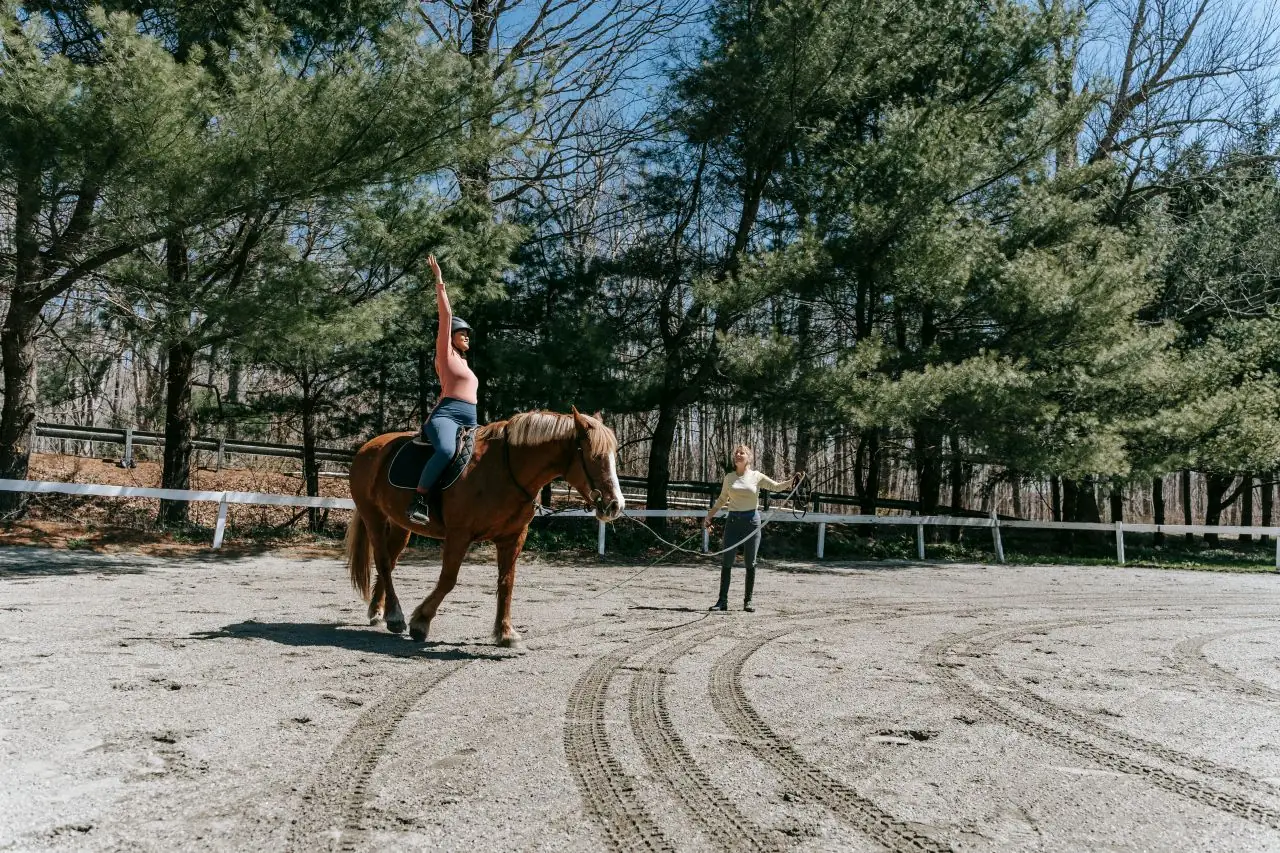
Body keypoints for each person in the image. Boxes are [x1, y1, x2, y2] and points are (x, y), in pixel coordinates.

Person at [408, 255, 478, 525]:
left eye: (468, 334)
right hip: (447, 415)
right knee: (447, 451)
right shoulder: (446, 354)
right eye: (463, 333)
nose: (467, 336)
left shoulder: (464, 363)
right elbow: (446, 316)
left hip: (470, 418)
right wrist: (439, 281)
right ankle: (420, 498)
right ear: (450, 337)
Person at [703, 445, 801, 612]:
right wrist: (709, 516)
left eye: (742, 453)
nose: (738, 455)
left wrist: (792, 482)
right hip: (733, 522)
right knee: (727, 561)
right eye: (736, 453)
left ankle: (748, 601)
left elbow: (776, 487)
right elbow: (721, 500)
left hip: (752, 523)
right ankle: (722, 601)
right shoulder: (729, 477)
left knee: (750, 562)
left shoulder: (757, 476)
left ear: (749, 457)